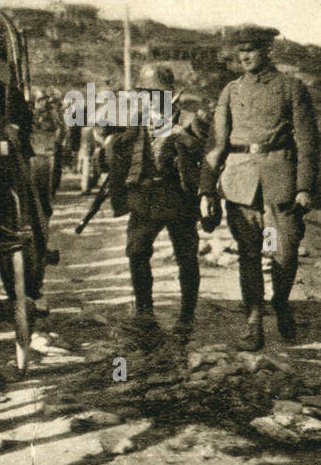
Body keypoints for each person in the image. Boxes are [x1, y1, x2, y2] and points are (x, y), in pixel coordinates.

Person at [202, 25, 317, 350]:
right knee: (248, 254)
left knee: (285, 251)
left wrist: (305, 186)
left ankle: (280, 301)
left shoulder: (291, 87)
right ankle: (253, 317)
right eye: (241, 51)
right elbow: (216, 145)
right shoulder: (231, 91)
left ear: (268, 51)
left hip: (282, 178)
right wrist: (207, 189)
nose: (245, 56)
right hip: (240, 181)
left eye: (251, 49)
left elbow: (308, 143)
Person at [106, 64, 209, 340]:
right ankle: (144, 313)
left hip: (179, 197)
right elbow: (111, 143)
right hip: (146, 197)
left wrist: (181, 136)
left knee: (186, 257)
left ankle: (186, 317)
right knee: (137, 251)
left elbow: (208, 152)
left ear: (170, 93)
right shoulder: (135, 117)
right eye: (144, 92)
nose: (150, 98)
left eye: (155, 93)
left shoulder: (189, 118)